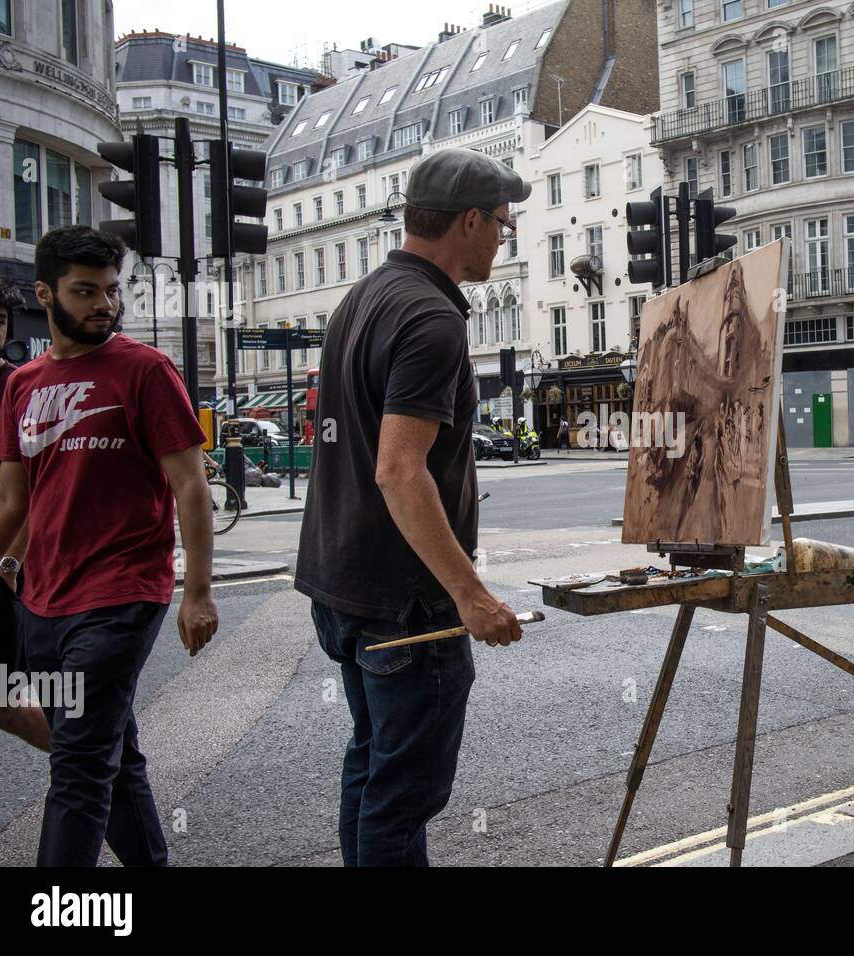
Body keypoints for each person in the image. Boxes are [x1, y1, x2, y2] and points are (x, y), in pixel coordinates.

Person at [296, 147, 526, 867]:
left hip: (342, 584)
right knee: (402, 795)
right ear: (466, 222)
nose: (502, 235)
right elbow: (399, 470)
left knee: (372, 769)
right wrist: (472, 595)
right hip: (408, 604)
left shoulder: (359, 300)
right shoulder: (432, 318)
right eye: (499, 222)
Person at [0, 226, 217, 866]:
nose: (103, 306)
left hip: (120, 597)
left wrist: (196, 590)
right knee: (113, 758)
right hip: (42, 601)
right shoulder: (23, 386)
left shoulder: (147, 371)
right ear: (45, 294)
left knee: (79, 768)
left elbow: (191, 486)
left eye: (111, 292)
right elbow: (8, 501)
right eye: (84, 292)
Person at [0, 270, 46, 750]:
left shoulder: (20, 388)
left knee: (0, 700)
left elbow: (36, 487)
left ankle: (98, 775)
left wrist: (9, 564)